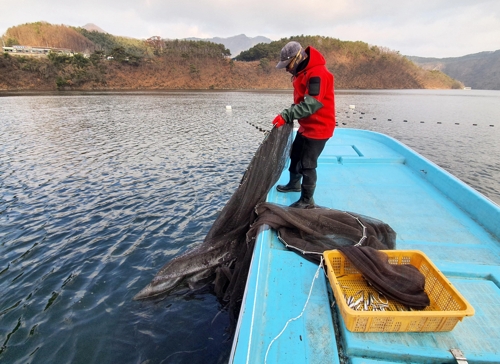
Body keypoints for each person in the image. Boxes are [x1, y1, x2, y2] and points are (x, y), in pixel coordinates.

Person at [272, 41, 336, 208]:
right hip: (306, 127)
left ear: (298, 57)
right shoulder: (302, 73)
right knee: (295, 155)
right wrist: (288, 113)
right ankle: (294, 184)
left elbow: (311, 105)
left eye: (288, 65)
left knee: (308, 164)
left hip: (319, 129)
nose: (287, 69)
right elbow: (301, 101)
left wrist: (286, 115)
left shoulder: (317, 74)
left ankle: (307, 201)